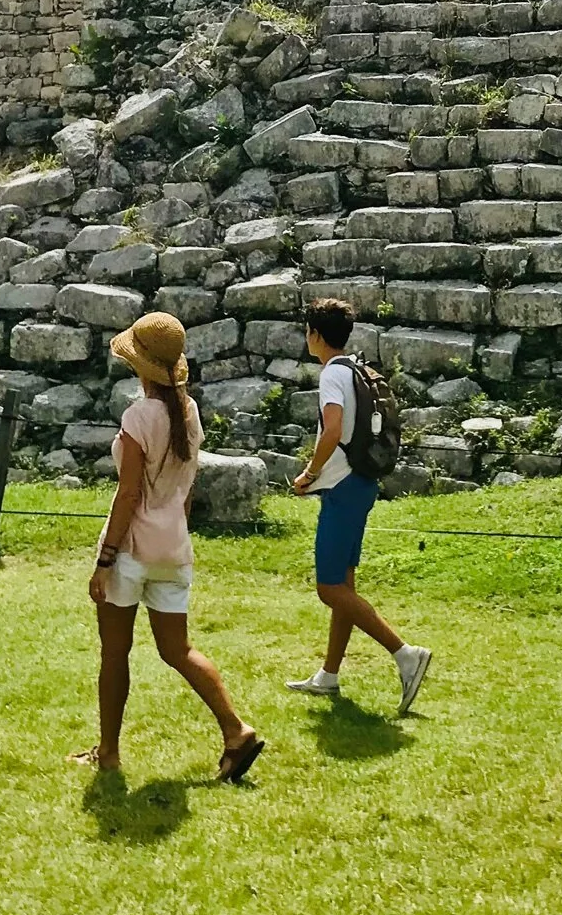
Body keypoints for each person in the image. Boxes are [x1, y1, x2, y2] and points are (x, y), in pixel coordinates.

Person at [75, 311, 265, 782]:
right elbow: (185, 487)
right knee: (177, 650)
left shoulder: (139, 415)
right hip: (174, 548)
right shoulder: (189, 411)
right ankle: (235, 729)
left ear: (140, 365)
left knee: (114, 653)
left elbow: (128, 495)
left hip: (133, 550)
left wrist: (104, 560)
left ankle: (110, 752)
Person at [288, 298, 433, 713]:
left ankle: (406, 654)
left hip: (342, 488)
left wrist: (309, 473)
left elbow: (332, 428)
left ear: (315, 334)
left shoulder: (333, 373)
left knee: (328, 588)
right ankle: (328, 677)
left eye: (307, 331)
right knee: (344, 588)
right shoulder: (354, 367)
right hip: (361, 482)